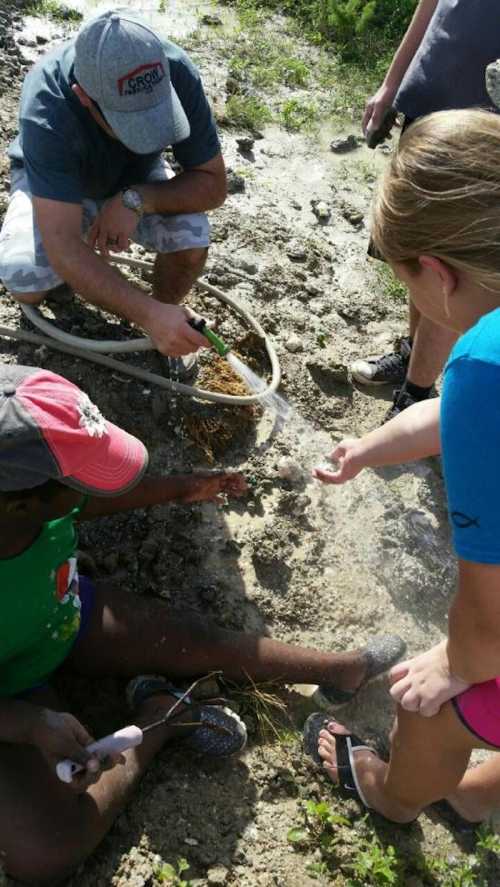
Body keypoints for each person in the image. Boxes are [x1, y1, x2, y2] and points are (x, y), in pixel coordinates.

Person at [0, 364, 404, 883]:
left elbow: (84, 502)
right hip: (11, 692)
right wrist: (29, 724)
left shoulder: (26, 497)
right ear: (19, 504)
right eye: (80, 480)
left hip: (61, 617)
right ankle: (162, 716)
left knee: (196, 641)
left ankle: (339, 668)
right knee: (46, 855)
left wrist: (179, 489)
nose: (86, 492)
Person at [305, 108, 500, 827]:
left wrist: (453, 662)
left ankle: (394, 795)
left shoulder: (486, 368)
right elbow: (450, 413)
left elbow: (487, 620)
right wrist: (371, 447)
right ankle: (476, 796)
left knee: (432, 703)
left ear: (439, 277)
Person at [0, 9, 226, 377]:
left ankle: (165, 318)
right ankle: (84, 288)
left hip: (134, 181)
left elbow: (213, 183)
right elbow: (63, 245)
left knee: (192, 236)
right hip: (55, 189)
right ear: (84, 97)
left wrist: (137, 198)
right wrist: (141, 311)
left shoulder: (175, 70)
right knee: (25, 279)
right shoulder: (47, 109)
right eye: (133, 125)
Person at [352, 0, 500, 422]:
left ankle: (418, 394)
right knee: (420, 255)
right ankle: (414, 353)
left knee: (453, 269)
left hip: (484, 130)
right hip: (432, 103)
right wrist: (393, 82)